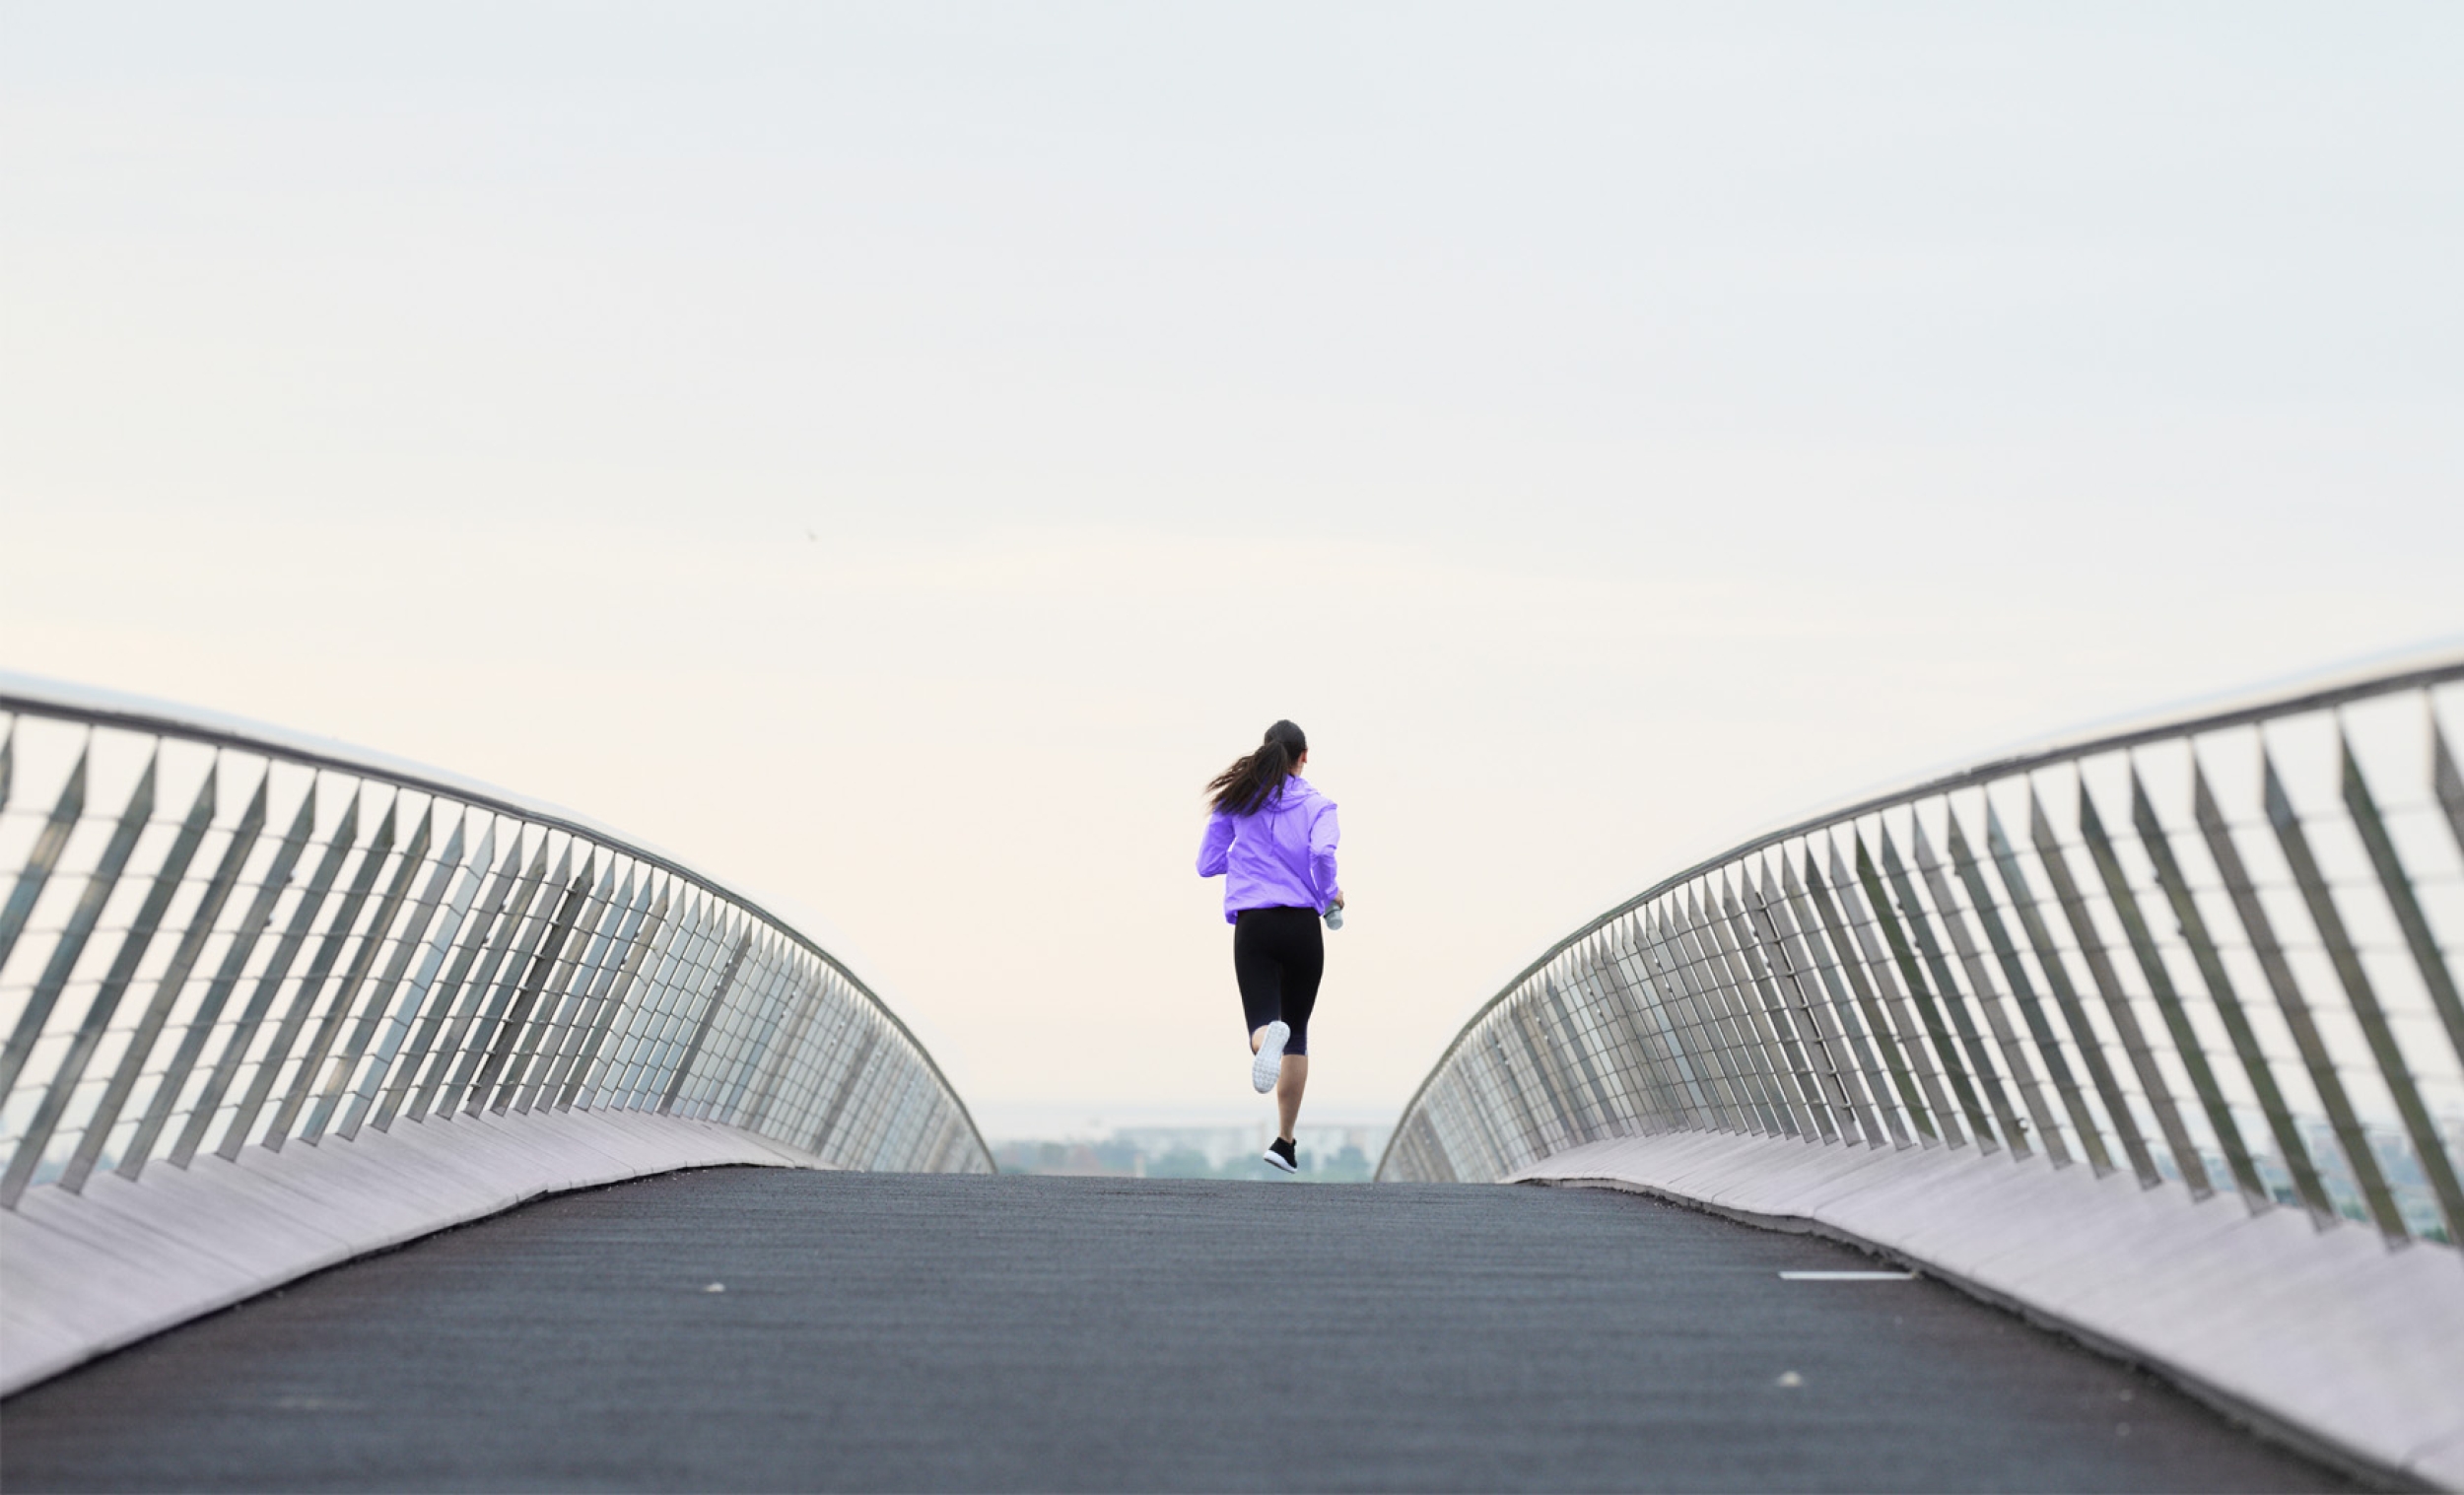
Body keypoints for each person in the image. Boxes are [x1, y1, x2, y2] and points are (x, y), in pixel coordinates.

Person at [1195, 719, 1343, 1175]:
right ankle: (1284, 1142)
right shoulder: (1320, 805)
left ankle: (1265, 1038)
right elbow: (1321, 856)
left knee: (1264, 1024)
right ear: (1304, 757)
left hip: (1256, 925)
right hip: (1302, 927)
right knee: (1296, 1034)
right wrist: (1330, 892)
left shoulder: (1237, 799)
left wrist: (1245, 858)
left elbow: (1207, 864)